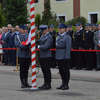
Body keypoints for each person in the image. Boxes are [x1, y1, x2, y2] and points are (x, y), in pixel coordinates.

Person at [56, 24, 72, 90]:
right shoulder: (58, 37)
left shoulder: (67, 37)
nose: (60, 29)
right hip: (59, 56)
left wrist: (67, 57)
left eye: (61, 28)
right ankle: (63, 83)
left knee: (66, 71)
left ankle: (66, 84)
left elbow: (68, 48)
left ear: (65, 29)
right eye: (59, 28)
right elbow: (56, 45)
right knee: (61, 71)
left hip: (64, 56)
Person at [38, 25, 53, 90]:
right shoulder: (42, 36)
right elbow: (39, 41)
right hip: (42, 55)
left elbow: (46, 46)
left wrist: (38, 47)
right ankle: (45, 83)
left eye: (43, 30)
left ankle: (48, 84)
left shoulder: (49, 37)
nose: (42, 31)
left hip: (47, 56)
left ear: (46, 30)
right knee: (44, 70)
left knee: (47, 70)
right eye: (42, 30)